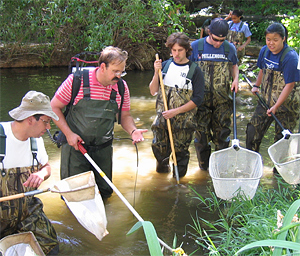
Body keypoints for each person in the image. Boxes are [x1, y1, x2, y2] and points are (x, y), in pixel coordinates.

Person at [51, 46, 147, 199]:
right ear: (102, 67)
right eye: (115, 71)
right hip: (76, 148)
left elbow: (125, 116)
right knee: (75, 195)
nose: (119, 76)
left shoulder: (121, 87)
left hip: (103, 149)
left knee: (104, 193)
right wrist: (69, 134)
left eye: (121, 72)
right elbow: (53, 107)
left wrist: (133, 131)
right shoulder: (77, 80)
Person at [0, 91, 59, 255]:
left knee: (52, 248)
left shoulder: (36, 140)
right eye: (46, 122)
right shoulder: (1, 135)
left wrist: (41, 174)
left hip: (28, 212)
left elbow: (47, 167)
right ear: (30, 119)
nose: (48, 128)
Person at [149, 32, 205, 178]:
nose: (176, 54)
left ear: (186, 49)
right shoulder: (165, 66)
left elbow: (198, 99)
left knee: (180, 155)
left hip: (184, 123)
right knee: (160, 150)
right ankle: (161, 182)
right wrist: (156, 73)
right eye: (174, 50)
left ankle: (177, 185)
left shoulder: (194, 70)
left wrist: (176, 112)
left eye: (180, 50)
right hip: (162, 121)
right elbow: (153, 91)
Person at [189, 18, 239, 171]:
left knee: (222, 136)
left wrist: (236, 79)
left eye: (221, 40)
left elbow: (234, 66)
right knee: (201, 138)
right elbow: (189, 70)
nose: (218, 43)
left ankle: (220, 170)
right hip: (200, 102)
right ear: (209, 32)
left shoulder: (229, 49)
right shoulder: (196, 46)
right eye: (215, 39)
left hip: (222, 101)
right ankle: (204, 170)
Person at [246, 23, 300, 157]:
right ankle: (253, 165)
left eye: (275, 40)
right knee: (252, 132)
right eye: (268, 39)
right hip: (265, 101)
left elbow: (290, 85)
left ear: (283, 39)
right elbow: (262, 70)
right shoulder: (264, 51)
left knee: (282, 141)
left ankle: (278, 175)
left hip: (287, 106)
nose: (271, 43)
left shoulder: (291, 57)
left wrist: (276, 106)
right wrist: (256, 86)